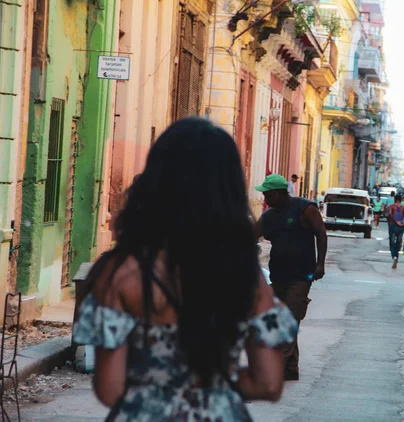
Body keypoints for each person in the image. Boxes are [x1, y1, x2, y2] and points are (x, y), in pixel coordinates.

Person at [72, 117, 298, 420]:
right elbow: (269, 384)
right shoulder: (246, 277)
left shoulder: (119, 273)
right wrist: (213, 385)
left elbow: (109, 388)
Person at [255, 173, 327, 381]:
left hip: (301, 274)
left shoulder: (305, 209)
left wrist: (320, 264)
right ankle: (290, 368)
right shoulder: (269, 216)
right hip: (278, 274)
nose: (265, 200)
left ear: (278, 193)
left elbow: (321, 234)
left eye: (267, 195)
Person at [388, 194, 404, 269]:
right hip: (401, 226)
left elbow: (390, 215)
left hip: (393, 225)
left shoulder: (392, 206)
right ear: (401, 200)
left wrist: (395, 222)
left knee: (392, 242)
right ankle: (396, 256)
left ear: (394, 199)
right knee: (398, 242)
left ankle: (394, 257)